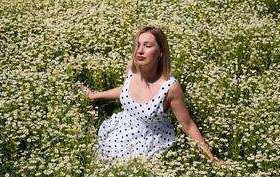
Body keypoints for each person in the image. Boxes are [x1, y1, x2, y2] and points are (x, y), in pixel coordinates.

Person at [81, 26, 224, 166]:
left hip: (148, 140)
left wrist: (211, 159)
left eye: (147, 45)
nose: (140, 51)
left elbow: (187, 125)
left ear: (161, 51)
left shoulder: (170, 87)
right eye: (138, 45)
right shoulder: (132, 68)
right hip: (121, 128)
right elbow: (125, 90)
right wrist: (95, 95)